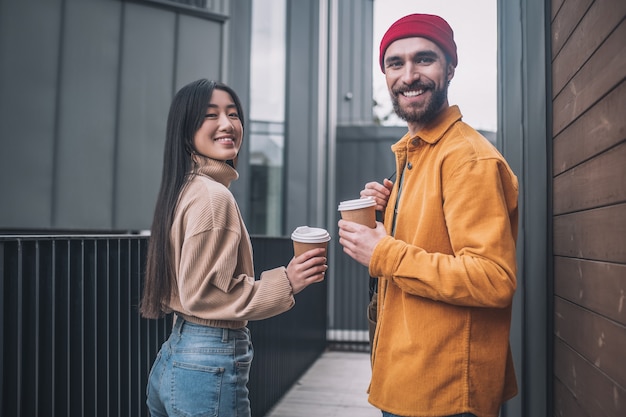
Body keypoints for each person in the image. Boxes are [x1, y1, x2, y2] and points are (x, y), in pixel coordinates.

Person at [337, 14, 519, 417]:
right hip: (410, 378)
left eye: (424, 59)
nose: (409, 75)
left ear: (450, 67)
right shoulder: (417, 152)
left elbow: (493, 279)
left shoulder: (468, 159)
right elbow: (431, 240)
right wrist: (391, 211)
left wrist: (382, 253)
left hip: (446, 394)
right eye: (395, 63)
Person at [140, 79, 328, 417]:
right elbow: (205, 294)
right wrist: (288, 281)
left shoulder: (185, 188)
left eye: (233, 114)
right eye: (210, 115)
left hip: (176, 354)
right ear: (186, 131)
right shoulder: (214, 197)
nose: (227, 124)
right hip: (209, 358)